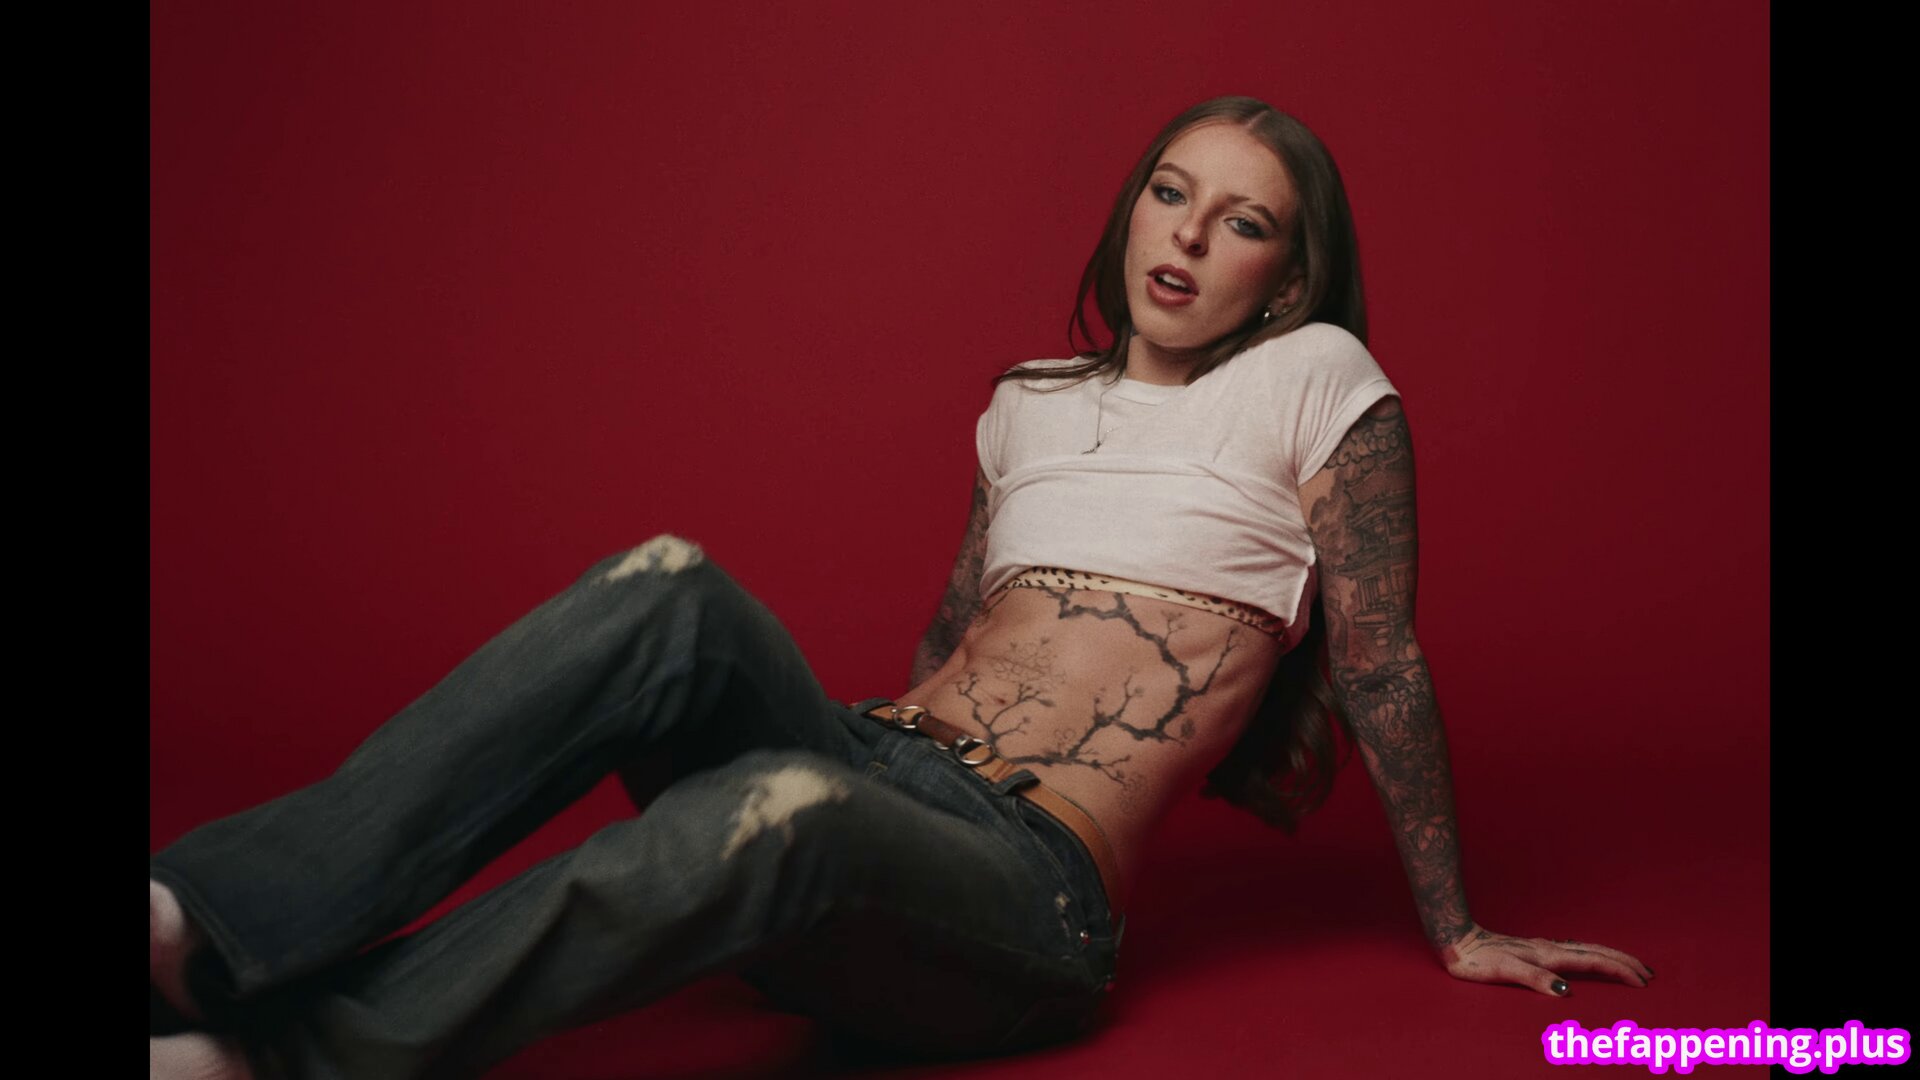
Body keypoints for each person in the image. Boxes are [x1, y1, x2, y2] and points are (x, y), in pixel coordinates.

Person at [149, 95, 1654, 1079]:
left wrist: (1457, 925)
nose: (1189, 236)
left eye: (1243, 221)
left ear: (1291, 277)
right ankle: (205, 922)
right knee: (673, 587)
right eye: (1168, 193)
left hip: (1026, 889)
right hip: (878, 769)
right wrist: (843, 773)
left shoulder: (1319, 378)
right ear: (1132, 210)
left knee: (790, 806)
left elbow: (1381, 660)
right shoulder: (1028, 401)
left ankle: (290, 1060)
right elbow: (955, 634)